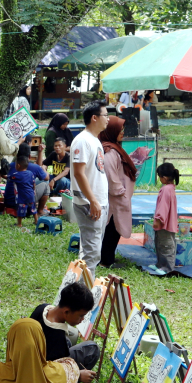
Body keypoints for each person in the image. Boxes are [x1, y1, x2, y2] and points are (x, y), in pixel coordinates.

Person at [70, 100, 110, 278]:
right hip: (89, 203)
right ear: (94, 118)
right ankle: (83, 297)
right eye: (105, 115)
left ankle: (81, 292)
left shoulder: (95, 141)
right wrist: (92, 201)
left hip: (99, 202)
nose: (108, 119)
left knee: (91, 252)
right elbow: (79, 173)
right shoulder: (82, 141)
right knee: (91, 254)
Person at [29, 282, 100, 377]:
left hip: (31, 357)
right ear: (66, 312)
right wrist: (78, 376)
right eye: (81, 315)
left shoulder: (42, 308)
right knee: (93, 349)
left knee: (72, 335)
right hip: (40, 375)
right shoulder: (57, 339)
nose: (82, 319)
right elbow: (52, 375)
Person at [99, 117, 136, 269]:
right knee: (112, 230)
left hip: (117, 197)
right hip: (115, 198)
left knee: (113, 229)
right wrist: (120, 191)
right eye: (119, 130)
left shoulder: (113, 148)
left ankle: (108, 258)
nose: (122, 132)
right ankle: (106, 261)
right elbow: (110, 174)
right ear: (111, 131)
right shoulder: (110, 152)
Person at [151, 163, 180, 274]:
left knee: (166, 245)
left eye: (160, 176)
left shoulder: (166, 190)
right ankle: (160, 264)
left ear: (164, 177)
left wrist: (159, 219)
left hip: (164, 224)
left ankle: (168, 268)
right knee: (161, 244)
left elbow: (163, 206)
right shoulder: (171, 188)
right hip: (169, 222)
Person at [6, 156, 47, 226]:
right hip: (31, 195)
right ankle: (36, 221)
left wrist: (1, 173)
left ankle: (19, 224)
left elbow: (7, 177)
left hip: (22, 197)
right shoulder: (30, 173)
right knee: (33, 209)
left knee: (20, 210)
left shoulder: (16, 175)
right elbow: (33, 183)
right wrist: (33, 191)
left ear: (18, 165)